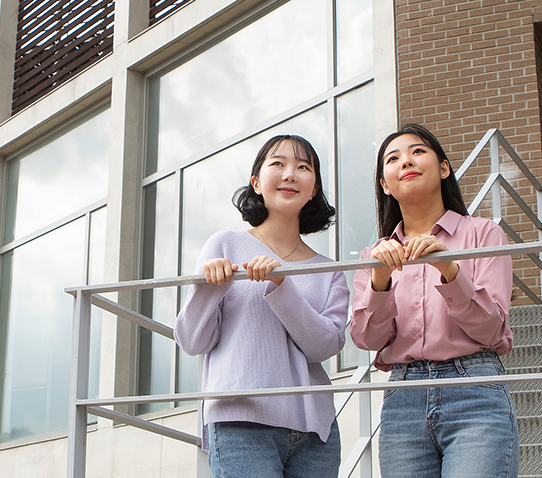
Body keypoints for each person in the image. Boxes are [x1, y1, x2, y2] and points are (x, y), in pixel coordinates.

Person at [176, 134, 350, 478]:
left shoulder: (328, 270)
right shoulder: (224, 244)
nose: (290, 174)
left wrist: (281, 285)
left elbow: (325, 347)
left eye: (303, 167)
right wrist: (209, 289)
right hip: (240, 422)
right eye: (278, 164)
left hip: (315, 433)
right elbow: (191, 341)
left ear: (314, 189)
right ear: (256, 182)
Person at [350, 124, 517, 477]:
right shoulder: (373, 255)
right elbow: (367, 339)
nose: (405, 161)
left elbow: (492, 328)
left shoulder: (484, 234)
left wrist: (450, 270)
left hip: (474, 387)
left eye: (417, 151)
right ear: (385, 184)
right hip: (403, 398)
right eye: (392, 159)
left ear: (444, 168)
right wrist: (380, 280)